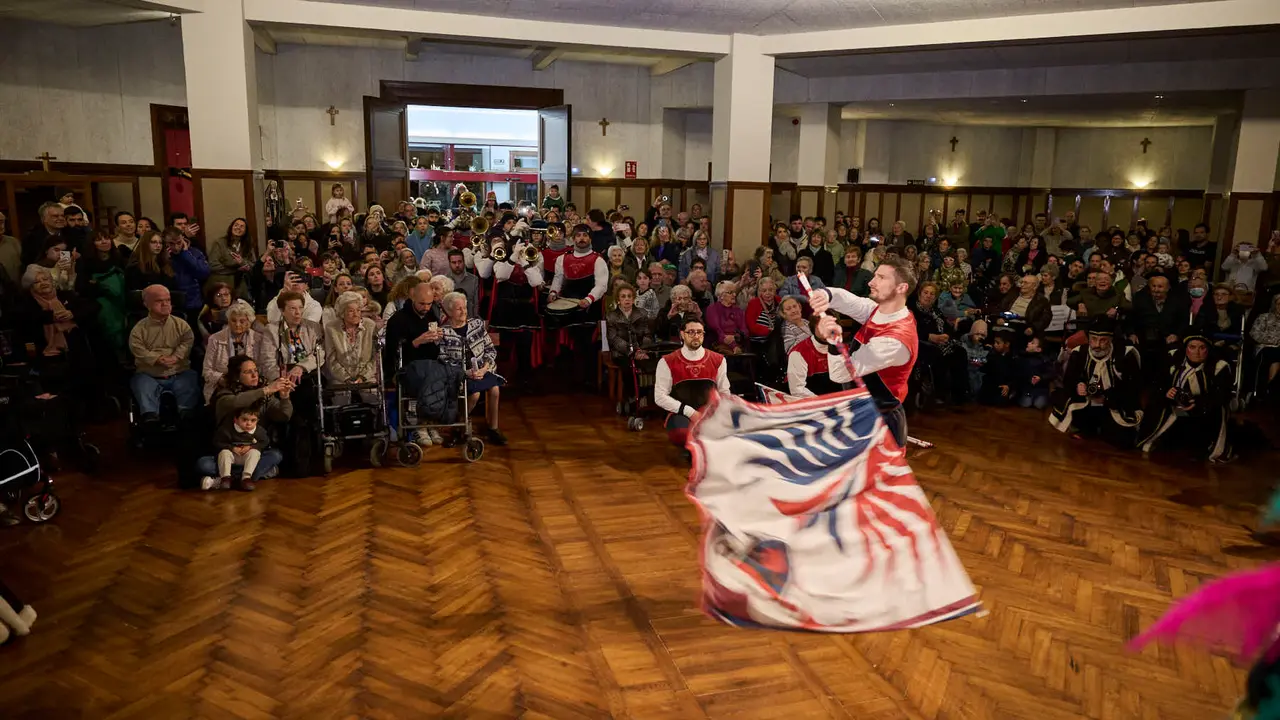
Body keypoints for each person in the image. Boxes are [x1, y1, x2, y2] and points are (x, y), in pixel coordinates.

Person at [808, 255, 920, 447]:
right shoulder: (881, 311)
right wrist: (825, 295)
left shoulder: (894, 341)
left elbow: (840, 374)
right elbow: (849, 301)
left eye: (881, 278)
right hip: (861, 415)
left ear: (901, 288)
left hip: (879, 425)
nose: (871, 282)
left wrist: (834, 341)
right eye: (875, 275)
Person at [202, 355, 293, 491]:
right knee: (203, 464)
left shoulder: (264, 396)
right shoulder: (225, 394)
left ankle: (228, 479)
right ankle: (251, 476)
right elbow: (237, 402)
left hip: (252, 452)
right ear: (237, 376)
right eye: (248, 372)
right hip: (229, 452)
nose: (254, 374)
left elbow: (284, 416)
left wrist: (285, 397)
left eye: (255, 370)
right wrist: (266, 390)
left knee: (276, 455)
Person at [1137, 335, 1233, 462]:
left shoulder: (1219, 366)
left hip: (1203, 413)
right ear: (1186, 348)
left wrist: (1197, 402)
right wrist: (1167, 392)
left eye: (1202, 348)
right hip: (1175, 410)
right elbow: (1157, 386)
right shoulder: (1173, 360)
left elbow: (1221, 396)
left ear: (1208, 349)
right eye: (1192, 347)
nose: (1197, 352)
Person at [385, 282, 456, 447]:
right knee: (428, 377)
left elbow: (436, 350)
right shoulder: (398, 320)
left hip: (430, 364)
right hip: (405, 367)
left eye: (429, 303)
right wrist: (417, 342)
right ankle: (421, 425)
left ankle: (430, 422)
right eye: (422, 303)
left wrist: (438, 338)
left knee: (446, 374)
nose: (425, 307)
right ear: (412, 297)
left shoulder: (432, 316)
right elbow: (392, 352)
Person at [1049, 319, 1142, 445]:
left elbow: (1133, 388)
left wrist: (1108, 397)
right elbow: (1069, 380)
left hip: (1114, 404)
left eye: (1102, 340)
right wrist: (1078, 385)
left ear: (1111, 340)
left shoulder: (1125, 355)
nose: (1096, 345)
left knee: (1121, 440)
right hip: (1088, 402)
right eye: (1093, 339)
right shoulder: (1079, 352)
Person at [438, 290, 506, 446]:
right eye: (458, 309)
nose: (463, 311)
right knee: (474, 395)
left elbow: (490, 349)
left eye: (464, 308)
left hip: (483, 369)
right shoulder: (445, 332)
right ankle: (459, 427)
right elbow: (443, 360)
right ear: (449, 311)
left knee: (495, 389)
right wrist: (465, 372)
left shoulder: (476, 325)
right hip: (461, 374)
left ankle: (493, 429)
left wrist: (485, 367)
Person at [653, 317, 731, 451]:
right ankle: (696, 447)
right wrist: (690, 412)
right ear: (682, 334)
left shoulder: (718, 360)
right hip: (681, 412)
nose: (696, 336)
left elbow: (724, 391)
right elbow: (660, 397)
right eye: (691, 332)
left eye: (700, 332)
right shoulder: (667, 361)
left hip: (708, 410)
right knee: (681, 434)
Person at [129, 284, 200, 421]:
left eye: (168, 300)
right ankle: (150, 418)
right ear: (147, 304)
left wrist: (176, 356)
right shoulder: (139, 329)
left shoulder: (182, 325)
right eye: (159, 301)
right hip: (149, 375)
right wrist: (157, 359)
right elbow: (137, 349)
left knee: (190, 380)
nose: (165, 304)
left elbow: (187, 342)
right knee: (140, 384)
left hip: (179, 372)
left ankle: (186, 417)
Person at [323, 291, 380, 405]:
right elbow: (331, 359)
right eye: (351, 311)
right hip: (340, 377)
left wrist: (363, 377)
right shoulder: (331, 328)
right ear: (342, 313)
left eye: (358, 310)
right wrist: (346, 378)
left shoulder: (370, 325)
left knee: (373, 398)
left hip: (366, 376)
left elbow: (375, 357)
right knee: (341, 400)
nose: (356, 314)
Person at [787, 314, 852, 398]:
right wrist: (825, 403)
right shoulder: (798, 353)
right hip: (816, 403)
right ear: (813, 328)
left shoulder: (845, 348)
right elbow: (797, 390)